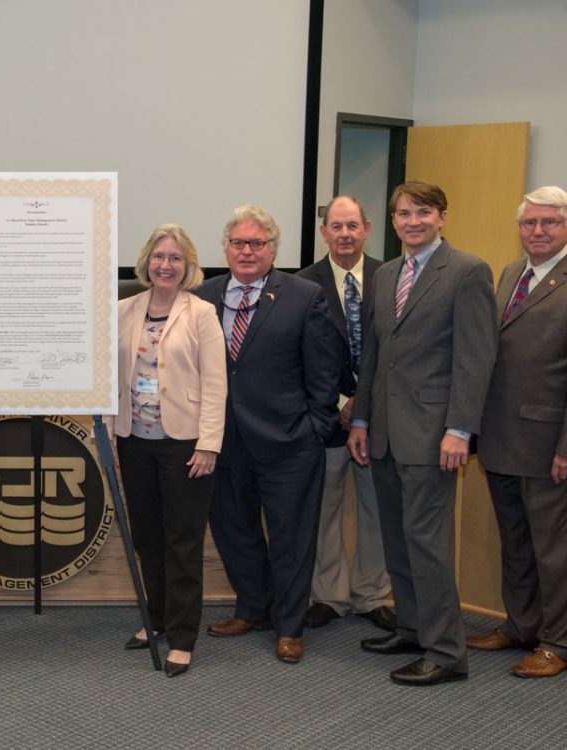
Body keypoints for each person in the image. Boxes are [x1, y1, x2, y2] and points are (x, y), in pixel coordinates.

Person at [349, 180, 496, 686]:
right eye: (404, 214)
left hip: (435, 435)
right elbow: (373, 355)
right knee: (398, 539)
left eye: (423, 212)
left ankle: (446, 652)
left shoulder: (468, 271)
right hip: (386, 433)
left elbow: (476, 359)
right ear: (392, 222)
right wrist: (362, 420)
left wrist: (460, 430)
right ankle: (411, 629)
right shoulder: (385, 274)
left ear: (442, 216)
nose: (413, 221)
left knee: (427, 543)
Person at [195, 205, 342, 663]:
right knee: (234, 533)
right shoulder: (203, 296)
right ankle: (252, 609)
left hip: (290, 444)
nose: (246, 251)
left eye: (257, 243)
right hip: (225, 442)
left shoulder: (302, 294)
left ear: (273, 250)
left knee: (292, 540)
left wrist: (315, 429)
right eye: (238, 243)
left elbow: (324, 371)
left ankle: (290, 625)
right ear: (226, 248)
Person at [108, 224, 226, 678]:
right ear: (146, 262)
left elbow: (216, 384)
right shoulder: (123, 309)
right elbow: (108, 377)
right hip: (135, 441)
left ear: (187, 266)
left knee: (182, 542)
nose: (165, 265)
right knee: (148, 539)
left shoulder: (201, 314)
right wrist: (110, 433)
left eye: (175, 258)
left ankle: (182, 636)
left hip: (184, 446)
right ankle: (156, 619)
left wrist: (209, 444)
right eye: (159, 256)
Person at [467, 186, 567, 679]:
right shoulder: (511, 273)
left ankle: (557, 642)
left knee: (554, 550)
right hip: (502, 437)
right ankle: (521, 626)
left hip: (549, 444)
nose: (538, 231)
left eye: (549, 222)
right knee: (516, 542)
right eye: (530, 223)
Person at [296, 196, 394, 632]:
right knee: (324, 509)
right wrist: (340, 403)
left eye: (353, 225)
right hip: (326, 419)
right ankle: (330, 596)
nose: (345, 234)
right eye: (336, 226)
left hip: (379, 417)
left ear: (367, 228)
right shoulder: (301, 284)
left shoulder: (391, 278)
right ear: (324, 233)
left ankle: (372, 594)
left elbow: (395, 351)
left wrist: (365, 404)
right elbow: (300, 357)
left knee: (379, 509)